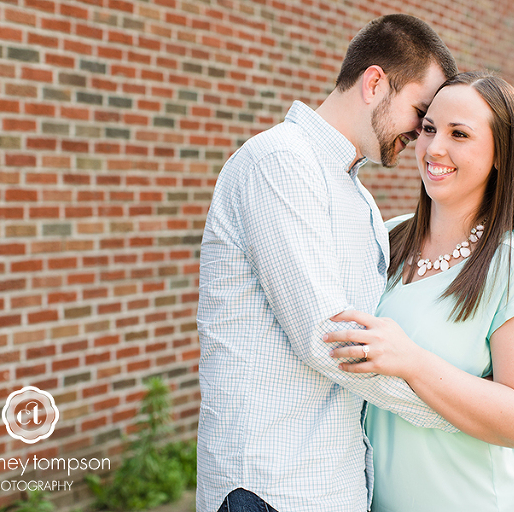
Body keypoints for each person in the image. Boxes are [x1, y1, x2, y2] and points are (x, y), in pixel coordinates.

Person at [196, 14, 459, 512]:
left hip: (333, 484)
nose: (422, 136)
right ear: (376, 83)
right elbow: (330, 339)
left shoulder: (359, 197)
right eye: (420, 113)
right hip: (270, 486)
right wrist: (456, 409)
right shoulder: (279, 162)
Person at [325, 71, 514, 512]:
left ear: (500, 155)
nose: (435, 148)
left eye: (460, 134)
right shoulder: (387, 237)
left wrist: (412, 362)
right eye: (430, 129)